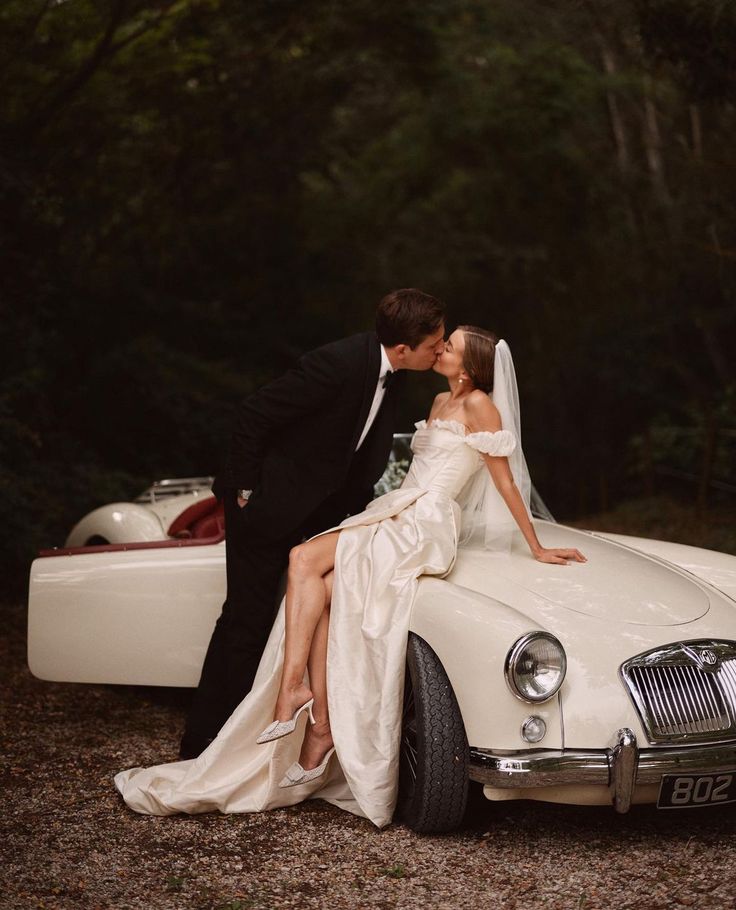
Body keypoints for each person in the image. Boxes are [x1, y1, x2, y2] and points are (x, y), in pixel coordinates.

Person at [116, 326, 586, 827]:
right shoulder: (436, 401)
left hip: (425, 523)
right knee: (323, 592)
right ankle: (320, 727)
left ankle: (292, 691)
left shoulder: (480, 409)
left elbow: (504, 481)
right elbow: (412, 473)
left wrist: (536, 544)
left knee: (302, 561)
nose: (440, 349)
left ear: (469, 368)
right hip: (398, 508)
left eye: (449, 346)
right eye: (441, 341)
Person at [179, 289, 446, 760]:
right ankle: (213, 746)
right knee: (247, 619)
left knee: (276, 618)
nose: (440, 351)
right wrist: (243, 491)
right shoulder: (337, 364)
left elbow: (354, 452)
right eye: (434, 345)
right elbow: (253, 414)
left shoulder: (395, 373)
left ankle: (239, 735)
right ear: (404, 349)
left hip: (315, 512)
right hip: (264, 505)